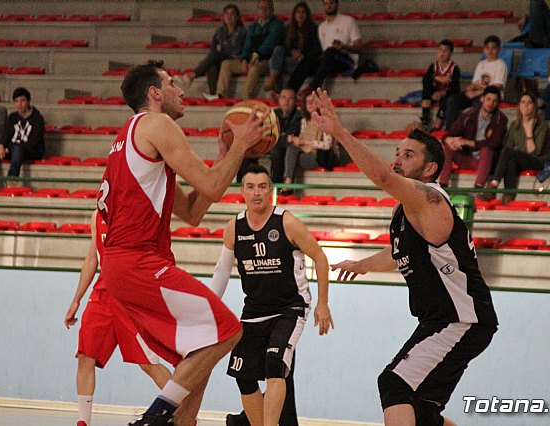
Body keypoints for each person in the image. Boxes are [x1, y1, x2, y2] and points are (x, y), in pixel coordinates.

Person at [310, 89, 498, 426]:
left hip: (461, 319)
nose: (397, 160)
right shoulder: (408, 213)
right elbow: (400, 255)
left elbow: (383, 177)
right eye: (397, 153)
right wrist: (361, 265)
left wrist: (339, 132)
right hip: (447, 320)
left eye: (408, 155)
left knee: (393, 383)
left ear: (429, 168)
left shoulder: (432, 200)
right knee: (422, 411)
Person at [98, 59, 265, 426]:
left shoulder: (132, 138)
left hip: (123, 264)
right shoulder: (158, 123)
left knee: (195, 359)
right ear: (155, 93)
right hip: (137, 259)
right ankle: (153, 418)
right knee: (227, 329)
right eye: (172, 83)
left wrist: (225, 158)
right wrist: (240, 146)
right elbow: (212, 186)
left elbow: (192, 210)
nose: (181, 89)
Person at [209, 163, 334, 426]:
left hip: (290, 308)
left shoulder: (286, 221)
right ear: (242, 191)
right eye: (251, 187)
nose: (257, 193)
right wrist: (209, 308)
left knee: (274, 365)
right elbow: (221, 271)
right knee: (243, 376)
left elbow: (320, 258)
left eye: (262, 187)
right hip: (254, 311)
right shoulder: (234, 227)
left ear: (270, 191)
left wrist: (323, 303)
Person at [64, 211, 173, 426]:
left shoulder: (137, 213)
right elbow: (91, 258)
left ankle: (187, 413)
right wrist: (76, 299)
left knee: (148, 363)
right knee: (86, 357)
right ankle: (82, 422)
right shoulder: (97, 215)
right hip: (103, 293)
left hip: (132, 293)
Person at [482, 92, 549, 204]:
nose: (526, 105)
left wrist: (528, 131)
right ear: (519, 105)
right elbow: (508, 146)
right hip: (518, 158)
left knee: (509, 154)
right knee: (511, 161)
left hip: (537, 161)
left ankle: (493, 184)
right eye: (523, 102)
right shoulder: (515, 125)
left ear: (534, 106)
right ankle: (508, 196)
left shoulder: (542, 125)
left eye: (529, 103)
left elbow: (534, 152)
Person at [439, 86, 509, 190]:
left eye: (494, 101)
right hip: (468, 157)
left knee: (486, 150)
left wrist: (468, 142)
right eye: (488, 99)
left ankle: (478, 186)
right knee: (449, 147)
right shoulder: (469, 115)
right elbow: (450, 133)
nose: (491, 103)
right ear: (482, 99)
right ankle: (443, 185)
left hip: (487, 160)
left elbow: (494, 143)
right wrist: (448, 139)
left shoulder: (501, 119)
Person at [215, 0, 284, 99]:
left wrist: (256, 55)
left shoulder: (278, 25)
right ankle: (220, 95)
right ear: (258, 10)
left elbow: (269, 44)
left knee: (254, 67)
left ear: (272, 10)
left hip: (267, 61)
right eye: (261, 8)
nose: (264, 10)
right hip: (251, 59)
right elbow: (247, 44)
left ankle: (245, 97)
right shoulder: (253, 27)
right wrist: (244, 59)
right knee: (226, 64)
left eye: (267, 8)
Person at [178, 4, 246, 98]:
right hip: (220, 59)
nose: (229, 16)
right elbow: (213, 48)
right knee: (211, 66)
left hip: (236, 59)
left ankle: (192, 75)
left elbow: (236, 51)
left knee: (214, 56)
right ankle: (214, 95)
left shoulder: (242, 32)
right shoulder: (220, 31)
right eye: (226, 14)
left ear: (237, 17)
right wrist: (220, 50)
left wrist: (221, 50)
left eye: (232, 14)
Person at [299, 0, 362, 98]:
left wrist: (343, 46)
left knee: (330, 51)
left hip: (346, 61)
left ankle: (313, 87)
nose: (329, 6)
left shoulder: (348, 21)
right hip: (329, 61)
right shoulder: (322, 27)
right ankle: (290, 89)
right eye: (326, 3)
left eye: (331, 3)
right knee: (308, 60)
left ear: (336, 4)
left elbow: (359, 46)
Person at [444, 35, 507, 130]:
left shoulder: (501, 65)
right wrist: (471, 89)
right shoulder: (481, 64)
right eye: (487, 48)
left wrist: (477, 92)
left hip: (492, 96)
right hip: (477, 93)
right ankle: (451, 130)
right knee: (453, 100)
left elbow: (496, 86)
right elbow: (474, 84)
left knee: (478, 101)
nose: (490, 50)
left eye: (493, 48)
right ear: (484, 49)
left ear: (499, 49)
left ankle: (474, 132)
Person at [264, 1, 322, 97]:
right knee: (277, 55)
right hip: (291, 61)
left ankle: (279, 91)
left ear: (307, 15)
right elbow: (281, 45)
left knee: (277, 63)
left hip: (305, 64)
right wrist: (292, 52)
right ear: (294, 14)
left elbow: (316, 50)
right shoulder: (289, 28)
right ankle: (273, 81)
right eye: (298, 12)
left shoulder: (313, 29)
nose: (300, 14)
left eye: (303, 12)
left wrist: (302, 55)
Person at [282, 93, 339, 188]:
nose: (310, 104)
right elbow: (302, 141)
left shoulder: (326, 120)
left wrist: (306, 142)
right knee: (291, 149)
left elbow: (327, 145)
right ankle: (288, 180)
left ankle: (288, 181)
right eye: (307, 102)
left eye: (313, 101)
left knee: (292, 159)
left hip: (322, 156)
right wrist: (296, 140)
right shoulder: (304, 121)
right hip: (307, 152)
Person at [0, 87, 45, 182]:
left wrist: (10, 147)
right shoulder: (12, 117)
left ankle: (12, 178)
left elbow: (35, 142)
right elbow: (6, 135)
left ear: (28, 101)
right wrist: (1, 145)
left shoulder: (37, 119)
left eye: (22, 101)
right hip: (12, 149)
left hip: (30, 151)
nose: (19, 104)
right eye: (16, 101)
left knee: (18, 148)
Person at [420, 39, 461, 130]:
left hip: (447, 93)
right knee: (426, 89)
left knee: (447, 101)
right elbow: (425, 79)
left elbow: (455, 88)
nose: (442, 53)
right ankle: (425, 119)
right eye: (440, 50)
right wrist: (435, 77)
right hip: (435, 91)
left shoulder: (454, 68)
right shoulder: (433, 66)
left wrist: (442, 92)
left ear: (451, 53)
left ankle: (437, 127)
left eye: (445, 50)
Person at [270, 87, 302, 185]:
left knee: (276, 151)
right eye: (284, 97)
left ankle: (276, 185)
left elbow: (293, 134)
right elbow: (270, 134)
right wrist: (285, 137)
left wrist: (282, 137)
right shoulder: (273, 114)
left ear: (295, 101)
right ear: (279, 100)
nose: (287, 101)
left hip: (289, 147)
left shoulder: (299, 115)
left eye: (290, 98)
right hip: (272, 143)